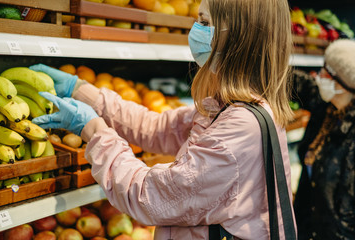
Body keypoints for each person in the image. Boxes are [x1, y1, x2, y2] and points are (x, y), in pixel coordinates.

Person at [30, 0, 296, 239]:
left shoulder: (239, 128)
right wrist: (83, 92)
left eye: (205, 23)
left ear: (239, 38)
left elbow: (150, 197)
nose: (196, 31)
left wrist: (92, 128)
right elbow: (158, 128)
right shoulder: (232, 107)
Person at [292, 39, 355, 240]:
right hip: (305, 225)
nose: (320, 76)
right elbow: (293, 82)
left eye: (326, 72)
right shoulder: (325, 106)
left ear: (342, 84)